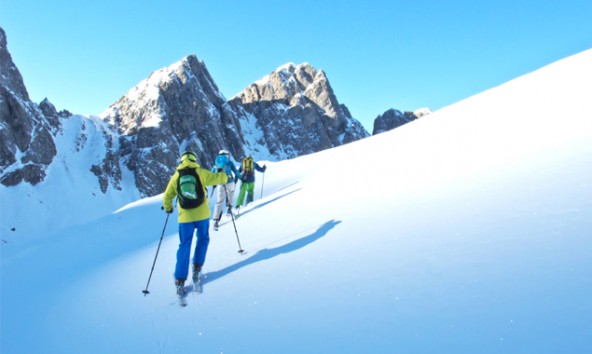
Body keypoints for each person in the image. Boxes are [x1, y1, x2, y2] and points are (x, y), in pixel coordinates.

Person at [162, 151, 228, 296]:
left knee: (184, 245)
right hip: (202, 215)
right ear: (194, 160)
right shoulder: (200, 173)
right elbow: (220, 179)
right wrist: (223, 172)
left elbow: (167, 196)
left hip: (185, 218)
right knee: (203, 239)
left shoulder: (176, 177)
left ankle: (180, 280)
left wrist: (168, 208)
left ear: (182, 161)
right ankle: (197, 267)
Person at [211, 150, 241, 230]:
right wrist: (241, 178)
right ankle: (229, 209)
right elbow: (236, 171)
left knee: (219, 201)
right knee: (231, 194)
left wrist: (214, 184)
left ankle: (216, 221)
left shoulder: (216, 163)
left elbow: (212, 174)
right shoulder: (229, 162)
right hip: (230, 182)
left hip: (220, 183)